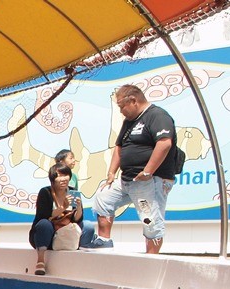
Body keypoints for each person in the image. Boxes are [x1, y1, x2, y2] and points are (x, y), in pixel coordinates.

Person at [87, 84, 177, 254]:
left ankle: (151, 259)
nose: (121, 111)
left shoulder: (157, 116)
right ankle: (104, 242)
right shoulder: (129, 122)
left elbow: (164, 143)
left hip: (148, 182)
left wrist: (148, 170)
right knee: (103, 199)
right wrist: (112, 172)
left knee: (149, 219)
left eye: (122, 106)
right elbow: (119, 147)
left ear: (133, 101)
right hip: (126, 180)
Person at [29, 163, 84, 276]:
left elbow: (77, 219)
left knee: (87, 226)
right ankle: (40, 261)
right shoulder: (45, 192)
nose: (63, 179)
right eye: (59, 176)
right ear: (53, 179)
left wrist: (78, 207)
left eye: (66, 175)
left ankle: (80, 260)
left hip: (66, 233)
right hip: (49, 234)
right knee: (44, 224)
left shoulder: (73, 192)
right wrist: (63, 207)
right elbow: (44, 216)